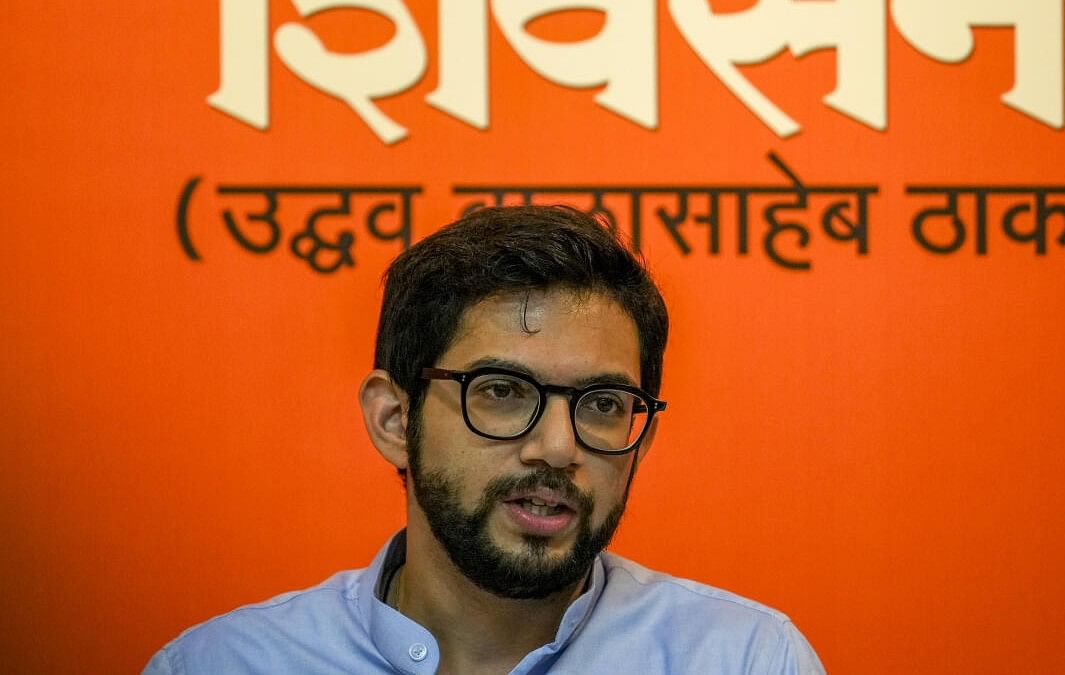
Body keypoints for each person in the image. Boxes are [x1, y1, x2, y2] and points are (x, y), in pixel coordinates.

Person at [145, 205, 825, 674]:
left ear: (640, 440)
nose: (559, 446)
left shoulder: (743, 657)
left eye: (603, 404)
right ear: (392, 420)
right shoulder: (226, 663)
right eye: (502, 392)